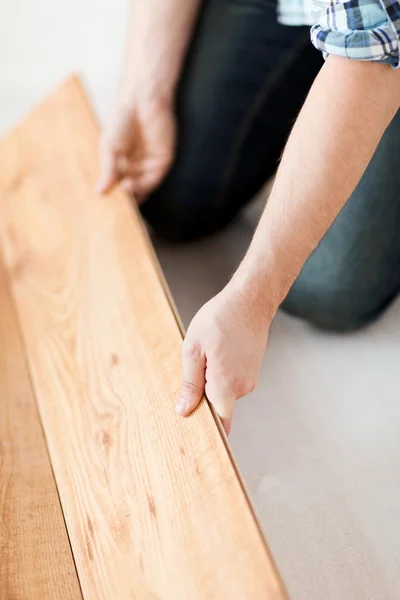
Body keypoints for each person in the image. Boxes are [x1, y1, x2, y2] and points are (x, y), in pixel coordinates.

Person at [97, 0, 400, 434]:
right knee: (169, 196)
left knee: (327, 289)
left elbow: (369, 53)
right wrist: (145, 93)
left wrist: (253, 299)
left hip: (385, 33)